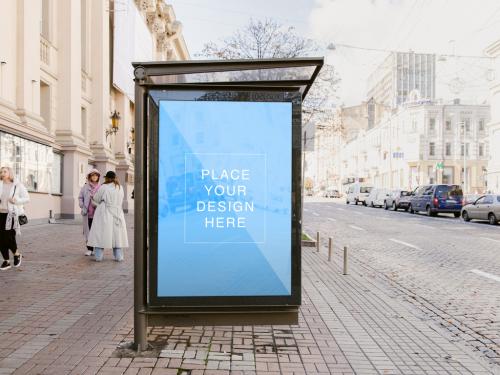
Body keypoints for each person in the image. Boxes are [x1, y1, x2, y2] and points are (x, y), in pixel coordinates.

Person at [87, 171, 128, 262]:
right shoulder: (120, 187)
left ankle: (98, 257)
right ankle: (119, 256)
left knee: (101, 233)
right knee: (117, 235)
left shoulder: (104, 187)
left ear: (107, 178)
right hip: (118, 213)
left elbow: (96, 198)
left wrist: (93, 198)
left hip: (105, 212)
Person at [0, 166, 30, 270]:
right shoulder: (0, 184)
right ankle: (6, 260)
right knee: (1, 238)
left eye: (5, 171)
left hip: (11, 214)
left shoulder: (17, 185)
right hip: (0, 213)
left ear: (10, 173)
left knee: (9, 237)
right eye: (1, 172)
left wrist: (16, 200)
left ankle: (16, 254)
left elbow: (27, 198)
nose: (2, 173)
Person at [78, 169, 101, 256]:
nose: (94, 177)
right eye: (93, 175)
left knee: (95, 231)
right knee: (88, 231)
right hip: (87, 213)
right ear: (90, 177)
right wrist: (82, 205)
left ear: (98, 177)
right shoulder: (85, 187)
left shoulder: (100, 187)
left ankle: (95, 249)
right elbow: (80, 197)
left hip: (97, 214)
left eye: (96, 175)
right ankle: (89, 249)